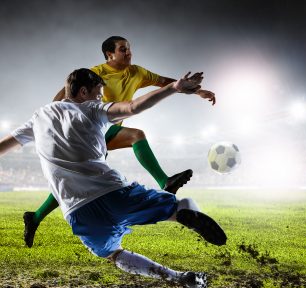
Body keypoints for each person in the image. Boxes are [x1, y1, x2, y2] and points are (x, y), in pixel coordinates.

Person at [0, 69, 226, 288]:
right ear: (83, 92)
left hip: (78, 213)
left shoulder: (39, 117)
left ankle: (177, 278)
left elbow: (4, 146)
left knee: (112, 253)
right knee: (181, 205)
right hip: (113, 193)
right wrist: (174, 87)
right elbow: (134, 107)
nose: (101, 98)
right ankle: (182, 215)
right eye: (99, 93)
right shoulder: (92, 109)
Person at [24, 36, 217, 248]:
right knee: (136, 135)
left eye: (129, 49)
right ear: (109, 55)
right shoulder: (95, 73)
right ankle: (165, 182)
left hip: (103, 134)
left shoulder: (137, 72)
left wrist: (198, 91)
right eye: (123, 49)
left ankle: (35, 217)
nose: (128, 53)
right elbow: (60, 100)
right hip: (90, 130)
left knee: (75, 181)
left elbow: (166, 83)